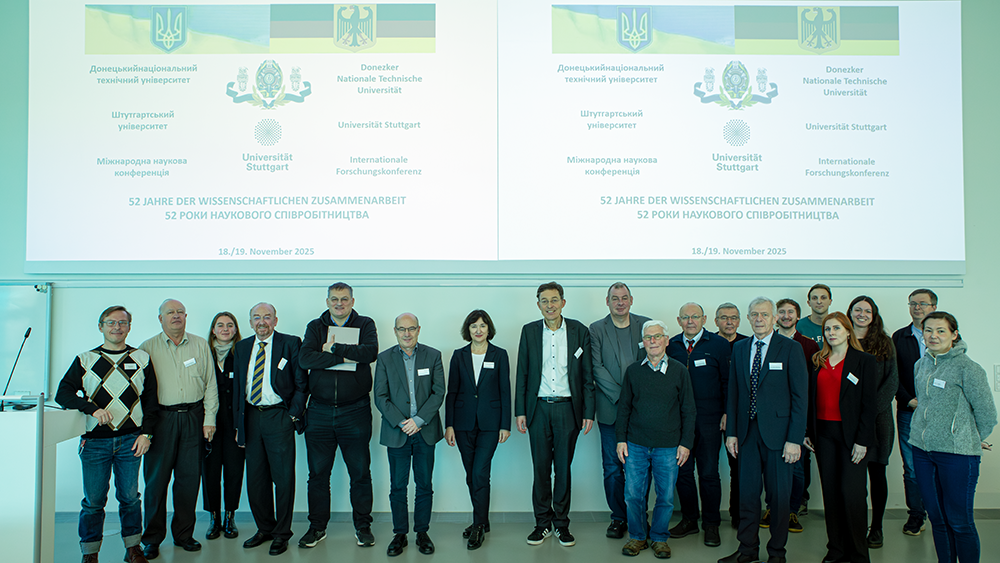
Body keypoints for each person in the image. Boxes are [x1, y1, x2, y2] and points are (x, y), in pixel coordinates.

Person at [56, 306, 158, 563]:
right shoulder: (85, 359)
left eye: (122, 323)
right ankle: (90, 554)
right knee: (93, 501)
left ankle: (133, 549)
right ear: (100, 326)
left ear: (129, 327)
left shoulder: (142, 358)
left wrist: (147, 434)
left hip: (131, 442)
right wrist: (92, 408)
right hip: (94, 443)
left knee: (130, 499)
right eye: (111, 323)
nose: (117, 327)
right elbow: (63, 394)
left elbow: (152, 401)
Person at [720, 297, 807, 563]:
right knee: (747, 496)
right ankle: (747, 550)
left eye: (764, 315)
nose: (759, 319)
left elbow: (800, 397)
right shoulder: (740, 348)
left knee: (779, 499)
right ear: (748, 318)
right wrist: (731, 432)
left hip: (780, 438)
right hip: (746, 434)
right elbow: (733, 393)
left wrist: (795, 439)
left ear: (774, 319)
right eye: (754, 314)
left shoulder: (790, 348)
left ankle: (777, 553)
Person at [910, 311, 997, 563]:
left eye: (941, 331)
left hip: (957, 456)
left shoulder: (967, 368)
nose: (933, 336)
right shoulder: (921, 364)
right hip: (922, 451)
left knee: (959, 521)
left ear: (954, 334)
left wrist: (968, 437)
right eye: (928, 330)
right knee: (937, 519)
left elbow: (987, 414)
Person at [298, 283, 379, 549]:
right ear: (327, 300)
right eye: (334, 299)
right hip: (319, 411)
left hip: (354, 411)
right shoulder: (315, 326)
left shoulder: (365, 323)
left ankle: (363, 526)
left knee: (360, 472)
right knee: (318, 474)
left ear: (352, 301)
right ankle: (317, 527)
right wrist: (345, 357)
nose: (339, 304)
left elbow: (369, 353)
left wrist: (332, 349)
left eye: (344, 299)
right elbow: (306, 359)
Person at [515, 281, 595, 547]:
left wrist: (588, 412)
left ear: (563, 302)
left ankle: (561, 524)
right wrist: (520, 412)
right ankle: (542, 524)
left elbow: (587, 376)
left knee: (562, 469)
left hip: (568, 409)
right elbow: (522, 373)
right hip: (537, 409)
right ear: (538, 304)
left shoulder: (579, 331)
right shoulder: (529, 331)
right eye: (544, 301)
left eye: (554, 300)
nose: (549, 305)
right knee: (540, 470)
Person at [139, 299, 218, 560]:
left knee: (188, 480)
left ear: (186, 316)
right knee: (156, 482)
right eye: (170, 313)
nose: (176, 316)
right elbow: (138, 392)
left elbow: (210, 384)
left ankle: (184, 535)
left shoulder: (199, 344)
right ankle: (151, 539)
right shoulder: (146, 348)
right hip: (161, 420)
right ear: (160, 318)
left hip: (194, 418)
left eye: (180, 312)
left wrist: (209, 419)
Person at [233, 303, 308, 556]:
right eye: (257, 317)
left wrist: (292, 415)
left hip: (279, 416)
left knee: (283, 478)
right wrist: (238, 425)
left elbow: (301, 383)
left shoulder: (290, 343)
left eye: (267, 317)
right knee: (256, 479)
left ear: (276, 320)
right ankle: (264, 528)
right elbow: (236, 390)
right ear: (250, 321)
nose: (262, 321)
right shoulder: (242, 347)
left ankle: (281, 533)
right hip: (251, 417)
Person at [618, 320, 696, 560]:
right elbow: (624, 409)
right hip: (636, 444)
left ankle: (660, 538)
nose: (652, 341)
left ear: (666, 340)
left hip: (668, 446)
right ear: (643, 342)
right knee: (633, 494)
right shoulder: (633, 371)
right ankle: (638, 536)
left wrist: (686, 443)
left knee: (665, 496)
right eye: (648, 337)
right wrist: (621, 440)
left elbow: (688, 410)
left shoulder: (679, 371)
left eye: (657, 336)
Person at [805, 312, 877, 563]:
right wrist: (808, 432)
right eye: (827, 329)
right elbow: (810, 400)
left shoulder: (864, 361)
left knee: (852, 494)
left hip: (852, 437)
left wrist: (863, 440)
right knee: (831, 494)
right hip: (823, 435)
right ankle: (836, 549)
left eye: (836, 328)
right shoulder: (819, 360)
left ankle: (858, 553)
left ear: (848, 331)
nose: (831, 333)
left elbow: (870, 405)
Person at [374, 313, 445, 557]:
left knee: (424, 485)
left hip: (425, 431)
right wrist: (403, 423)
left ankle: (422, 533)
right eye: (402, 329)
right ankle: (400, 534)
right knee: (398, 486)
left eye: (411, 329)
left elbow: (438, 392)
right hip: (397, 432)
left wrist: (418, 421)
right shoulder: (384, 358)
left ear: (418, 330)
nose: (407, 333)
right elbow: (380, 397)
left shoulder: (433, 355)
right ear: (395, 331)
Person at [444, 310, 512, 550]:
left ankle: (478, 526)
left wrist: (506, 424)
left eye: (482, 325)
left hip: (490, 425)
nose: (478, 330)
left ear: (488, 328)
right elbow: (451, 392)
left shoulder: (500, 355)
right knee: (471, 473)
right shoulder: (458, 355)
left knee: (480, 474)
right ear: (468, 330)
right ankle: (482, 519)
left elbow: (505, 390)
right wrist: (449, 424)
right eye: (474, 326)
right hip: (462, 424)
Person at [666, 302, 730, 547]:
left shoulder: (720, 345)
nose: (690, 321)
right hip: (679, 422)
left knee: (709, 473)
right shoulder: (670, 346)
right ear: (679, 320)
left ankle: (711, 524)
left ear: (704, 319)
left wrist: (726, 413)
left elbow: (728, 383)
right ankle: (690, 520)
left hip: (710, 420)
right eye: (685, 317)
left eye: (695, 317)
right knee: (683, 473)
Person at [588, 282, 650, 539]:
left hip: (642, 412)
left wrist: (635, 399)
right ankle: (618, 517)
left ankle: (638, 516)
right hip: (610, 410)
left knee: (639, 467)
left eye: (624, 298)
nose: (620, 302)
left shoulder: (646, 325)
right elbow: (596, 367)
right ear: (607, 301)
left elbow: (652, 360)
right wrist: (623, 397)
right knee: (613, 467)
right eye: (615, 298)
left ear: (631, 300)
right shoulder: (596, 329)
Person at [848, 296, 899, 549]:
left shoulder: (885, 343)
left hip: (879, 420)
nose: (862, 314)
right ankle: (854, 526)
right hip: (849, 420)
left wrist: (869, 411)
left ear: (874, 315)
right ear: (850, 313)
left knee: (877, 474)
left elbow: (892, 382)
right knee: (854, 478)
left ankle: (876, 527)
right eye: (857, 310)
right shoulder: (842, 339)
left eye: (867, 311)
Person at [770, 298, 820, 531]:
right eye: (782, 312)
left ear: (798, 316)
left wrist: (807, 424)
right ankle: (772, 507)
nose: (786, 316)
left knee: (797, 467)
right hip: (773, 418)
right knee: (771, 466)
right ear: (775, 316)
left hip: (799, 416)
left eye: (791, 312)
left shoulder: (809, 346)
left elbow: (812, 387)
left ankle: (792, 510)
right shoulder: (767, 342)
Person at [892, 288, 937, 535]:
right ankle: (916, 516)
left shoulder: (946, 335)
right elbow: (892, 376)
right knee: (911, 467)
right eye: (913, 303)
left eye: (922, 303)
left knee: (939, 464)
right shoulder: (900, 337)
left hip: (941, 414)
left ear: (934, 306)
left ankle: (939, 513)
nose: (917, 307)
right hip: (909, 411)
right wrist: (908, 400)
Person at [201, 312, 244, 541]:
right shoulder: (202, 353)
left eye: (230, 325)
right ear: (213, 330)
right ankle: (213, 518)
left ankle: (230, 516)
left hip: (235, 423)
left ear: (235, 330)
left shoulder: (243, 353)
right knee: (209, 472)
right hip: (209, 423)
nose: (225, 329)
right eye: (220, 325)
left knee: (234, 471)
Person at [715, 301, 747, 528]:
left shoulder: (747, 344)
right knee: (707, 468)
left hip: (737, 417)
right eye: (724, 317)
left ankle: (738, 514)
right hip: (708, 415)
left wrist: (729, 412)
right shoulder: (709, 342)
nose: (729, 322)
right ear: (715, 321)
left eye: (733, 317)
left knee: (739, 467)